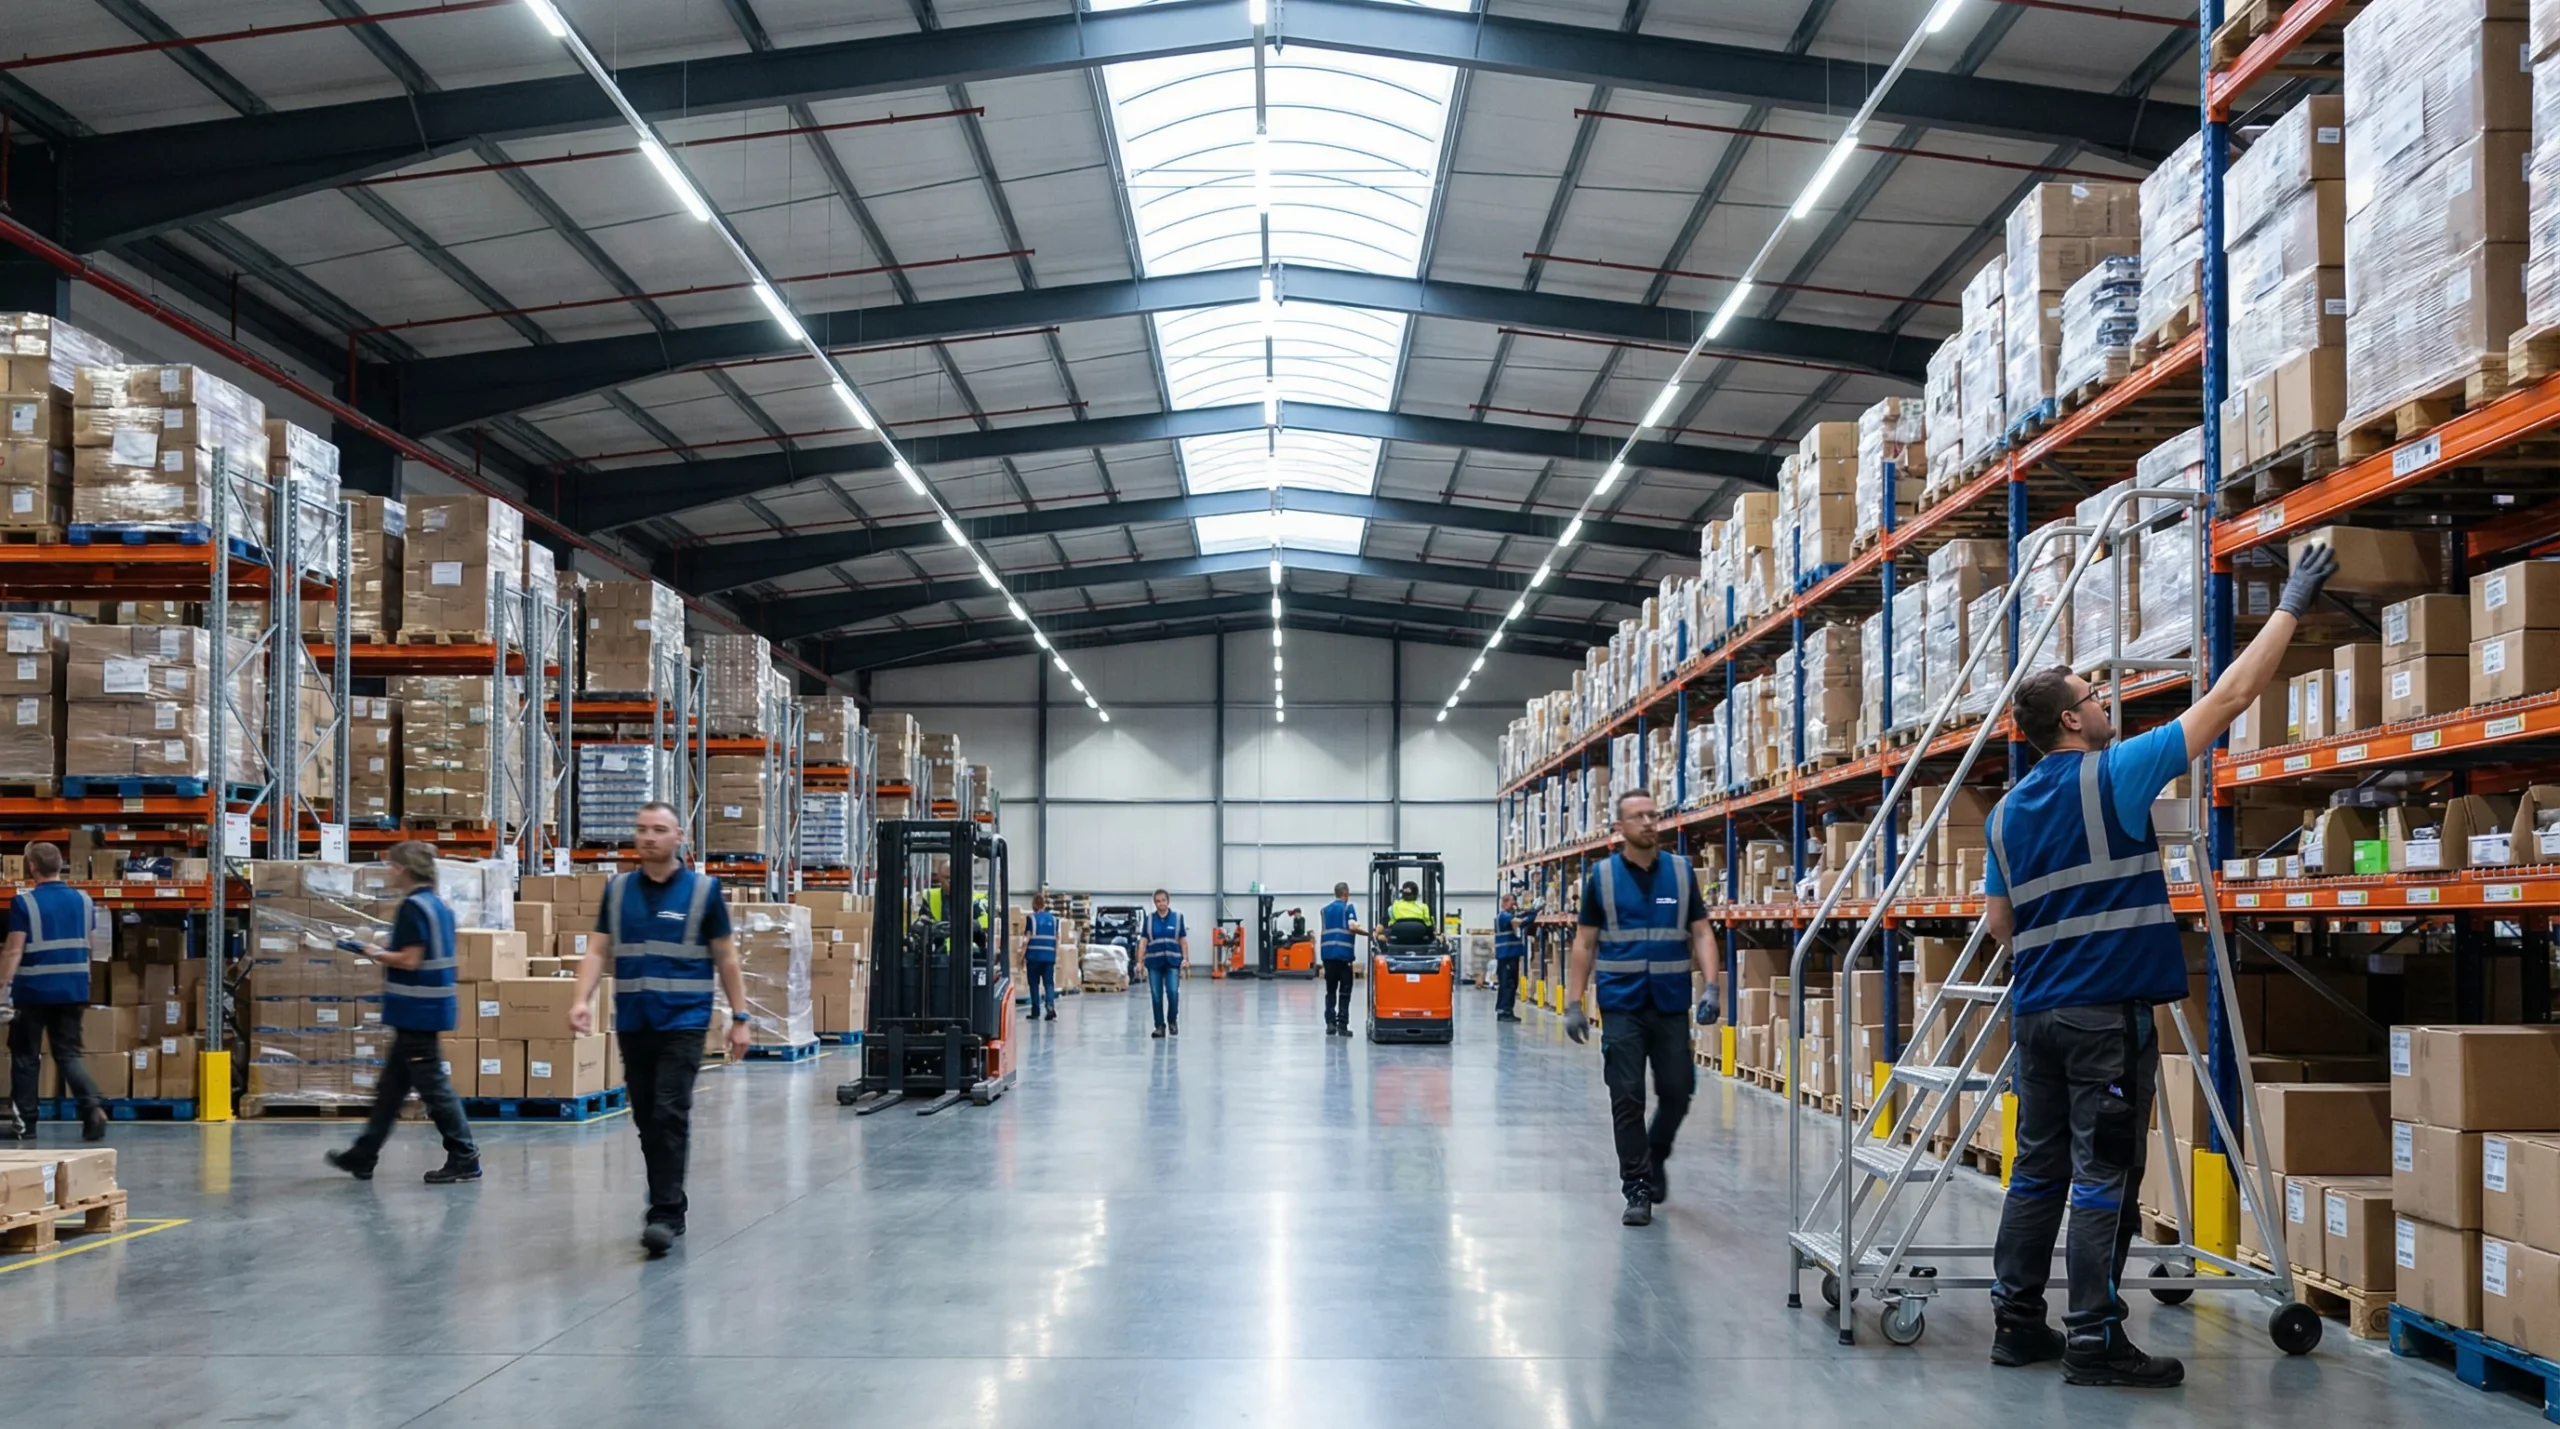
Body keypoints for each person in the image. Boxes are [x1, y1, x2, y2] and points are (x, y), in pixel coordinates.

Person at [1981, 543, 2337, 1388]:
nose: (2102, 701)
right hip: (2106, 1019)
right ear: (2071, 720)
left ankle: (2016, 1321)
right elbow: (2233, 694)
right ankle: (2096, 1339)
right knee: (2104, 1173)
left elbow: (2000, 924)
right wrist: (2289, 602)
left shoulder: (2003, 812)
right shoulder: (2117, 772)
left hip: (2036, 1018)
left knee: (2037, 1169)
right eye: (2091, 696)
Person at [570, 801, 752, 1257]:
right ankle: (671, 1201)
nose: (648, 837)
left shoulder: (702, 892)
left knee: (670, 1111)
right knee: (647, 1116)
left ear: (679, 838)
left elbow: (726, 957)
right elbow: (597, 951)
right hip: (634, 1021)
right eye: (642, 829)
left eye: (659, 830)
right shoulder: (616, 891)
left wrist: (740, 1018)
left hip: (684, 1021)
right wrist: (580, 999)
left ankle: (665, 1213)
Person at [1564, 790, 1717, 1227]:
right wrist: (1573, 1003)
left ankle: (1656, 1152)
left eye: (1654, 815)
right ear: (1620, 828)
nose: (1649, 822)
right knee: (1626, 1097)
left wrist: (1712, 988)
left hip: (1669, 1004)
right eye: (1639, 817)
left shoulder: (1681, 873)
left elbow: (1702, 933)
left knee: (1678, 1090)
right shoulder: (1603, 878)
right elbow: (1585, 942)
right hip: (1622, 1005)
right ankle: (1637, 1187)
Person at [326, 841, 480, 1184]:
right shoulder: (437, 905)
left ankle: (465, 1156)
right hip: (427, 1007)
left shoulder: (412, 907)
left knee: (434, 1088)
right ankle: (363, 1155)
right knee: (391, 1088)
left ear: (406, 869)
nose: (389, 871)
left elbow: (410, 959)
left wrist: (370, 951)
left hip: (417, 1010)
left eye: (393, 866)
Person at [0, 842, 104, 1142]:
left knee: (25, 1056)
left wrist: (3, 988)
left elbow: (13, 951)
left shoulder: (24, 903)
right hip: (73, 989)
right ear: (60, 865)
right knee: (68, 1054)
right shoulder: (84, 901)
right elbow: (91, 944)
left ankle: (26, 1125)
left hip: (33, 991)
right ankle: (92, 1107)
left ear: (32, 866)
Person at [1316, 882, 1364, 1036]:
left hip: (1328, 956)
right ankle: (1342, 1026)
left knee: (1330, 990)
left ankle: (1330, 1024)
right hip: (1344, 957)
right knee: (1345, 991)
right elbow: (1353, 927)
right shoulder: (1348, 908)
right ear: (1346, 893)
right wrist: (1371, 935)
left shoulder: (1324, 910)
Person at [1140, 889, 1187, 1038]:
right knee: (1156, 995)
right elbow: (1143, 942)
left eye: (1163, 900)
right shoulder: (1149, 919)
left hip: (1173, 961)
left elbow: (1183, 940)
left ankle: (1172, 1020)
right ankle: (1159, 1026)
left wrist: (1185, 958)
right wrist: (1139, 962)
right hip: (1154, 962)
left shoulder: (1178, 918)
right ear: (1155, 903)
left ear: (1168, 901)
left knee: (1173, 992)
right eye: (1158, 901)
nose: (1161, 904)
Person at [1492, 892, 1531, 1022]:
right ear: (1505, 902)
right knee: (1507, 984)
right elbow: (1520, 922)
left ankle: (1506, 1010)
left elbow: (1521, 920)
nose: (1514, 905)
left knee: (1511, 984)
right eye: (1512, 902)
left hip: (1510, 956)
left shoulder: (1508, 916)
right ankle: (1504, 1012)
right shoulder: (1503, 917)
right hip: (1506, 956)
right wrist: (1534, 912)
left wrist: (1530, 912)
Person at [1024, 891, 1060, 1021]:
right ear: (1044, 904)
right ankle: (1050, 1007)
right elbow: (1057, 939)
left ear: (1034, 904)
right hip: (1049, 958)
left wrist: (1021, 955)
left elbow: (1026, 939)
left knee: (1034, 984)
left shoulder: (1031, 919)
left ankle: (1035, 1011)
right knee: (1049, 984)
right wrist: (1055, 955)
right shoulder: (1054, 920)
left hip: (1033, 957)